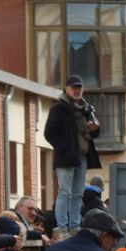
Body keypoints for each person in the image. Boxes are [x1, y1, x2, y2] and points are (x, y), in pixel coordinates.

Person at [44, 76, 101, 232]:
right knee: (64, 192)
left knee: (77, 195)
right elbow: (49, 133)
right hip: (66, 158)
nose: (77, 90)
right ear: (66, 88)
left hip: (82, 157)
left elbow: (93, 134)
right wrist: (64, 149)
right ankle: (62, 226)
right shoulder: (59, 108)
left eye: (80, 87)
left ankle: (75, 226)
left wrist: (95, 129)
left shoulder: (86, 109)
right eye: (74, 87)